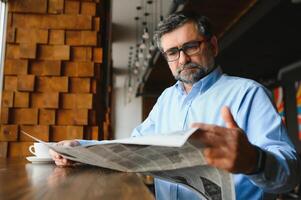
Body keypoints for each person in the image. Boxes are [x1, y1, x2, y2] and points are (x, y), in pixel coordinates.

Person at [50, 11, 301, 199]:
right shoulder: (167, 99)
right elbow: (130, 147)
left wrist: (255, 161)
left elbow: (290, 173)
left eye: (191, 46)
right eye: (172, 52)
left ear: (212, 45)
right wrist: (80, 150)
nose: (182, 58)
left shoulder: (249, 94)